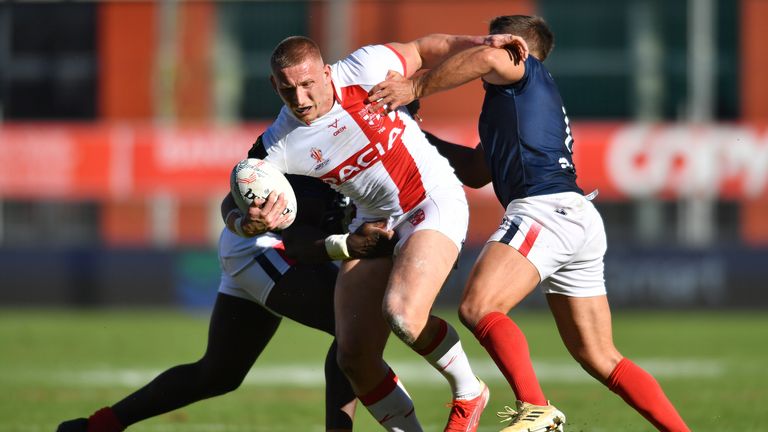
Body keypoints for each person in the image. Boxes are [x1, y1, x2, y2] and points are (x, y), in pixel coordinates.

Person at [367, 15, 691, 432]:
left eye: (491, 41)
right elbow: (476, 170)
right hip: (574, 215)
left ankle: (535, 407)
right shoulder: (516, 100)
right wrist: (412, 134)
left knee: (478, 307)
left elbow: (489, 57)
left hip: (544, 209)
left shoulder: (521, 71)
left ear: (514, 48)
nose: (481, 48)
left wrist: (414, 87)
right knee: (600, 356)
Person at [230, 34, 525, 432]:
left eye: (308, 84)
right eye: (287, 89)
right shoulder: (277, 145)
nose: (299, 99)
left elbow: (422, 49)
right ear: (273, 85)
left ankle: (469, 391)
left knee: (403, 314)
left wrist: (481, 40)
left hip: (431, 201)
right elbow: (231, 202)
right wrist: (244, 223)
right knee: (353, 356)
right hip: (374, 222)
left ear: (327, 73)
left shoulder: (365, 68)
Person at [56, 174, 400, 432]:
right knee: (354, 327)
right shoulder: (319, 135)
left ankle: (95, 427)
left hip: (283, 253)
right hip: (264, 247)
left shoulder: (401, 146)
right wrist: (242, 223)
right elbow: (231, 201)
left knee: (219, 374)